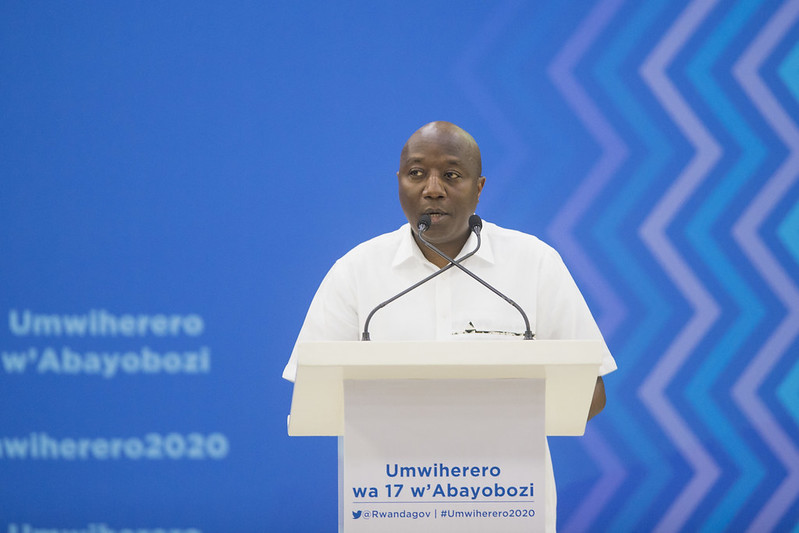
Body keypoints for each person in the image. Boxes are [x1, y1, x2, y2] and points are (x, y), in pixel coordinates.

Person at [283, 121, 617, 532]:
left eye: (452, 175)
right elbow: (313, 392)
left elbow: (591, 393)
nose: (433, 189)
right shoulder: (355, 272)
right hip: (391, 509)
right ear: (399, 182)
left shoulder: (535, 264)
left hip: (506, 509)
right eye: (416, 173)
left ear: (479, 188)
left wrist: (497, 417)